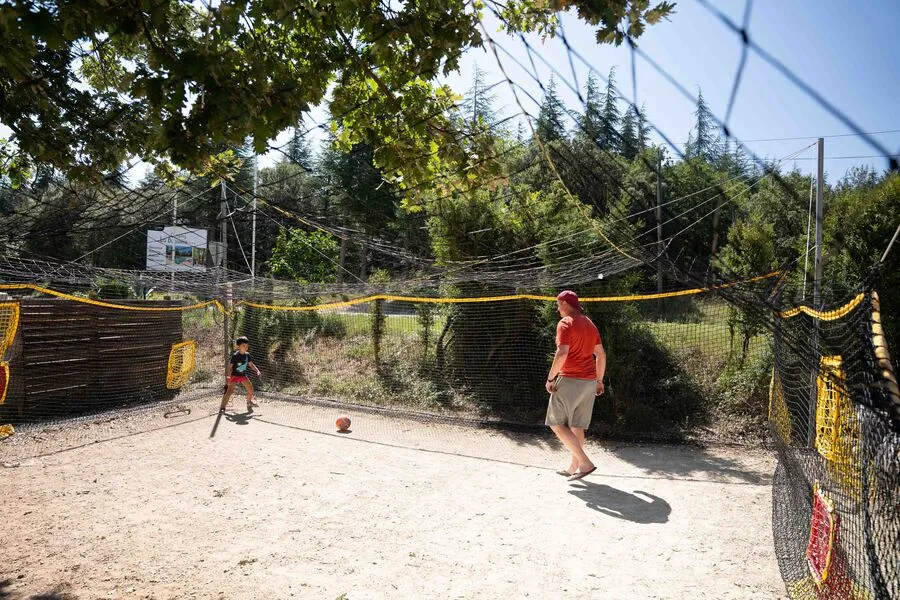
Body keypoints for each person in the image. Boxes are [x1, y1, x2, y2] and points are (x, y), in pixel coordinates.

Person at [545, 290, 606, 481]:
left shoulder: (566, 323)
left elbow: (562, 353)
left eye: (558, 304)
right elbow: (601, 355)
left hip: (570, 380)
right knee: (577, 425)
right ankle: (574, 467)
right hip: (588, 382)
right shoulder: (589, 323)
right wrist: (599, 381)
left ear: (565, 303)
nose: (557, 309)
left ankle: (585, 463)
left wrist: (550, 378)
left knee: (555, 423)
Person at [220, 336, 262, 413]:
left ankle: (249, 402)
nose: (246, 347)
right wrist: (228, 377)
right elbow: (229, 367)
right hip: (234, 376)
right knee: (230, 391)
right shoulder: (235, 356)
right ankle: (222, 407)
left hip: (243, 376)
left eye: (247, 345)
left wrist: (257, 371)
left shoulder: (247, 355)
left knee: (251, 389)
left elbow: (251, 365)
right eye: (244, 345)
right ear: (238, 346)